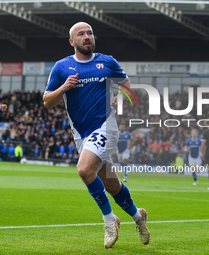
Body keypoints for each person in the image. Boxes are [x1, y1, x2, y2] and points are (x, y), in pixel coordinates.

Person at [43, 22, 150, 249]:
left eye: (89, 33)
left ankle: (110, 220)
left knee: (84, 170)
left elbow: (126, 84)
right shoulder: (62, 67)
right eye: (81, 34)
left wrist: (119, 97)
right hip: (81, 135)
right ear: (72, 42)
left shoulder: (107, 61)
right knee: (111, 184)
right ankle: (138, 216)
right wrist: (63, 88)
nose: (87, 36)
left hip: (106, 127)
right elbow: (47, 102)